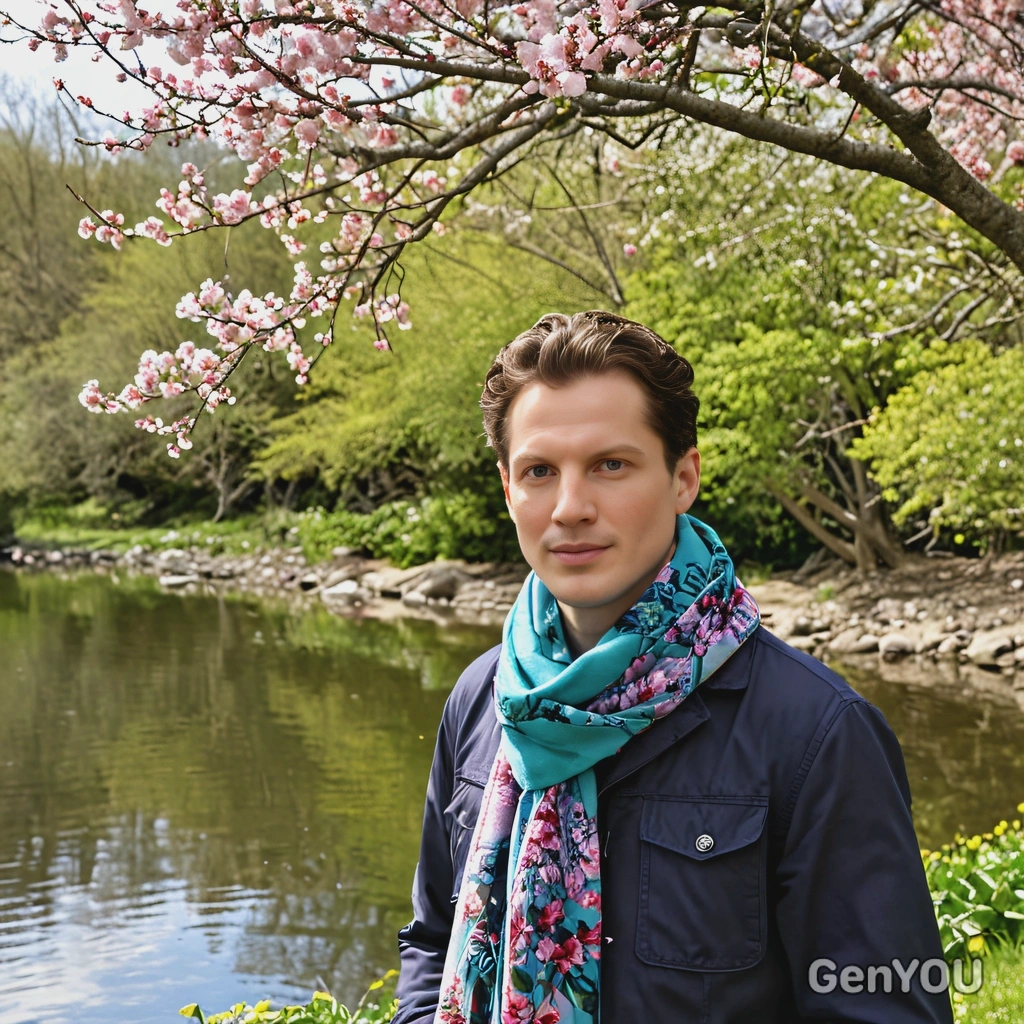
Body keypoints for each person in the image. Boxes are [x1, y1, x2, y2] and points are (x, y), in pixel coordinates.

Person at [391, 311, 953, 1024]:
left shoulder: (818, 734)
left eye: (611, 465)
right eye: (540, 472)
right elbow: (432, 942)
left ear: (683, 478)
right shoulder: (483, 698)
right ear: (508, 490)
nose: (570, 508)